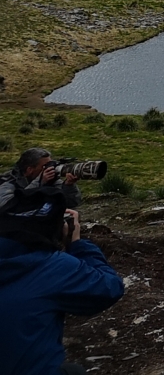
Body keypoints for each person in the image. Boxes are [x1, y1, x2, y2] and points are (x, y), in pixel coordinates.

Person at [0, 148, 123, 375]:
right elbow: (10, 209)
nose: (50, 169)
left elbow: (70, 202)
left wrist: (66, 185)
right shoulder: (6, 185)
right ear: (29, 169)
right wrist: (76, 243)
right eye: (44, 166)